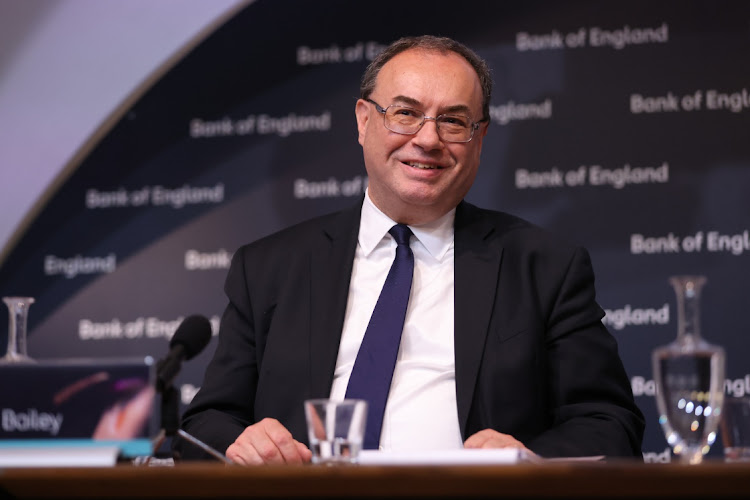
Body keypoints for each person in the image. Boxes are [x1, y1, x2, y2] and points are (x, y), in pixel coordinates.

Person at [176, 35, 645, 464]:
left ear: (479, 139)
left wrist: (525, 460)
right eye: (405, 113)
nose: (428, 138)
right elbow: (205, 424)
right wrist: (246, 445)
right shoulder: (268, 269)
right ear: (364, 121)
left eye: (454, 121)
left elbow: (610, 425)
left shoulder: (543, 267)